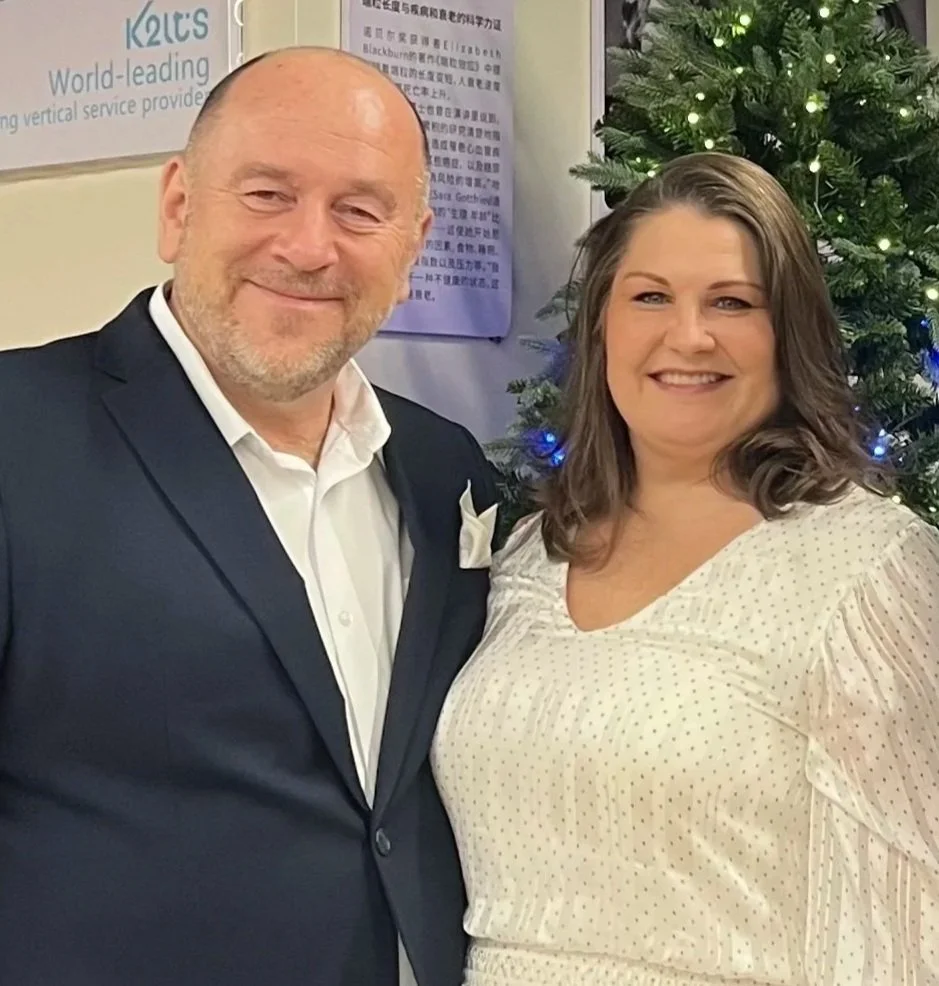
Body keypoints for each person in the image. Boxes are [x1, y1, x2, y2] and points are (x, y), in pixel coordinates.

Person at [0, 48, 499, 986]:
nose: (310, 247)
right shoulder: (16, 435)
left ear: (412, 245)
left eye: (360, 210)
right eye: (268, 194)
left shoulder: (446, 472)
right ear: (180, 205)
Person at [432, 153, 939, 986]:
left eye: (733, 303)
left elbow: (915, 909)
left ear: (787, 336)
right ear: (602, 328)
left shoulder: (870, 571)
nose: (689, 335)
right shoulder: (527, 552)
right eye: (650, 297)